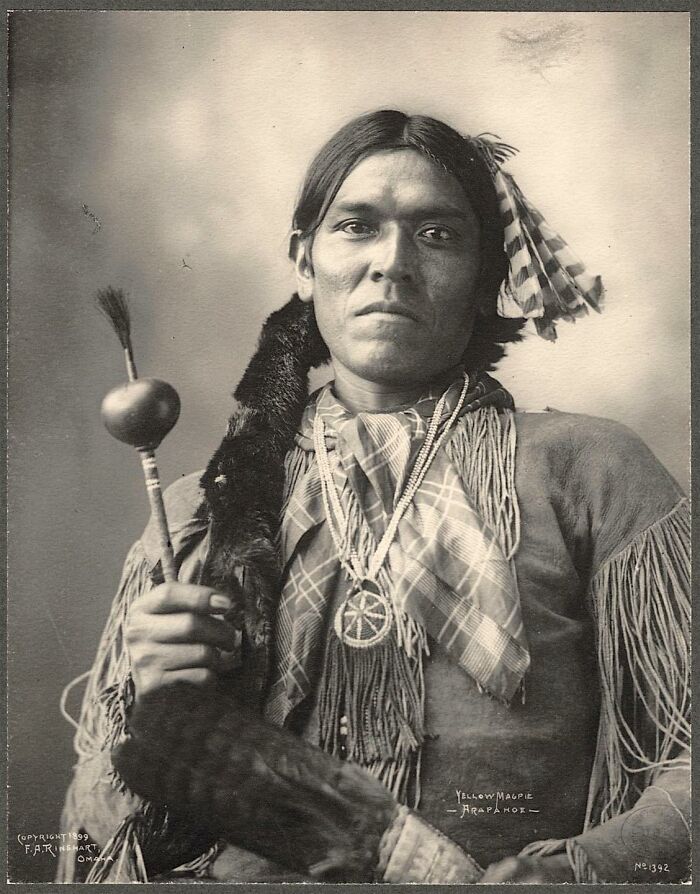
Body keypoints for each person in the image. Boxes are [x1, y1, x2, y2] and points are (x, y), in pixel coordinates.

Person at [59, 110, 690, 884]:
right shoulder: (202, 512)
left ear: (488, 279)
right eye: (357, 226)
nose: (392, 262)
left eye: (438, 234)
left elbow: (688, 760)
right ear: (303, 259)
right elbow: (112, 840)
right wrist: (160, 714)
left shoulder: (593, 470)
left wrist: (581, 870)